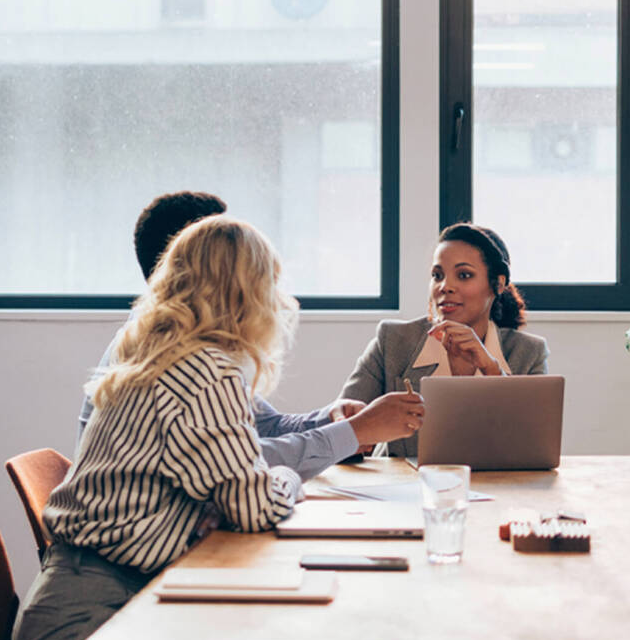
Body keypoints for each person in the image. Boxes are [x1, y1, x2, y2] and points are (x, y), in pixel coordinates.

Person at [12, 216, 424, 640]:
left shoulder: (163, 352)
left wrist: (234, 491)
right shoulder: (206, 372)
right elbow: (255, 507)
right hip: (87, 635)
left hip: (88, 604)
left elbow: (233, 475)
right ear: (248, 292)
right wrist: (287, 477)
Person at [79, 190, 398, 480]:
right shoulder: (170, 355)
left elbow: (262, 426)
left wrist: (328, 419)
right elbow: (246, 460)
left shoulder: (187, 343)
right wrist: (352, 433)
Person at [339, 222, 549, 457]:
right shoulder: (393, 341)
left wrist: (492, 372)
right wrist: (358, 427)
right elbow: (338, 430)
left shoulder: (528, 353)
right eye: (437, 275)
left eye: (464, 275)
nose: (445, 287)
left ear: (497, 284)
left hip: (493, 489)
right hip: (405, 488)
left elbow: (532, 450)